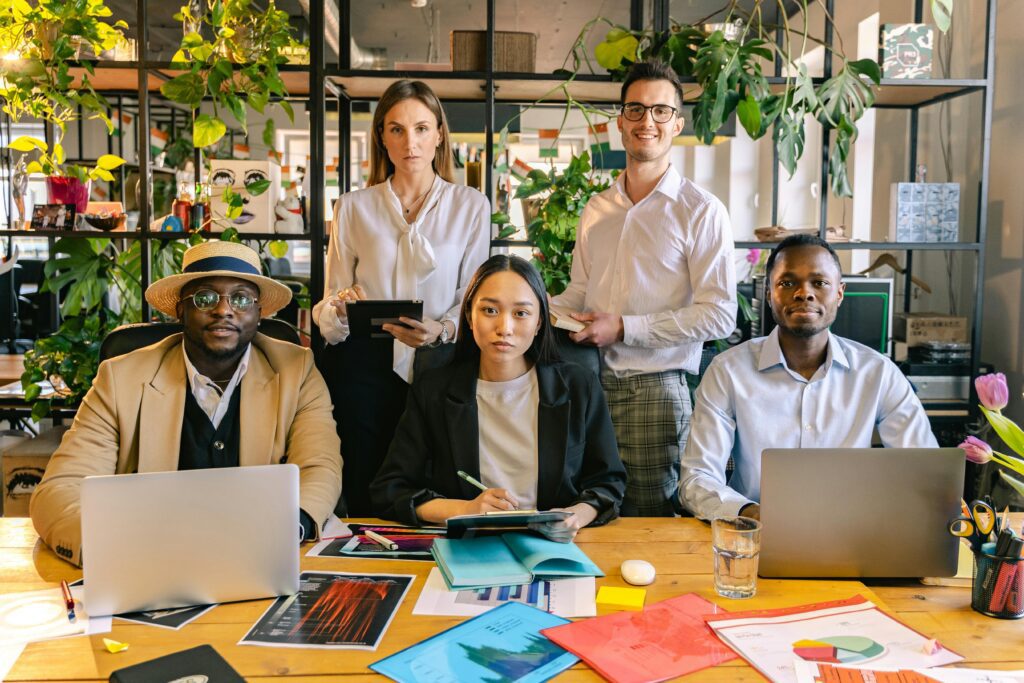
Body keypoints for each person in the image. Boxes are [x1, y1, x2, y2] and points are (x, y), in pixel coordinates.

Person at [30, 241, 342, 566]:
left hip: (257, 559)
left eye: (240, 299)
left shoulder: (296, 370)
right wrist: (108, 548)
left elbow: (319, 467)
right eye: (205, 297)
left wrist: (287, 527)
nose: (223, 310)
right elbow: (60, 488)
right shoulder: (121, 378)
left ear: (258, 313)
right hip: (147, 563)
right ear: (180, 309)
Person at [550, 60, 737, 517]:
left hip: (654, 389)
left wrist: (625, 328)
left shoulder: (700, 210)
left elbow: (719, 315)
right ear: (619, 121)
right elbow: (579, 292)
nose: (646, 121)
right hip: (589, 382)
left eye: (659, 111)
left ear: (677, 122)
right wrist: (530, 309)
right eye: (635, 110)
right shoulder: (598, 208)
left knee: (649, 520)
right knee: (588, 513)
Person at [313, 79, 490, 517]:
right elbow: (328, 303)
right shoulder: (353, 207)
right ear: (381, 138)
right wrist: (340, 307)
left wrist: (441, 329)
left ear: (439, 135)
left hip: (440, 365)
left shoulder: (471, 206)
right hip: (364, 366)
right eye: (396, 130)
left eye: (421, 128)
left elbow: (473, 297)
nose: (410, 142)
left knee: (436, 490)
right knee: (366, 488)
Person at [678, 235, 938, 521]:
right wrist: (749, 513)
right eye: (787, 283)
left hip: (853, 534)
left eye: (819, 282)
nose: (804, 293)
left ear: (839, 293)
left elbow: (922, 471)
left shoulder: (878, 373)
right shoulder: (727, 371)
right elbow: (697, 479)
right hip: (755, 535)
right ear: (768, 293)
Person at [370, 255, 626, 541]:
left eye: (521, 313)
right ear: (469, 315)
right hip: (470, 546)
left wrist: (576, 515)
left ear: (540, 321)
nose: (504, 327)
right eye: (490, 310)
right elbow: (390, 488)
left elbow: (609, 482)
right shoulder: (434, 390)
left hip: (556, 545)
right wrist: (466, 509)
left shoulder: (579, 386)